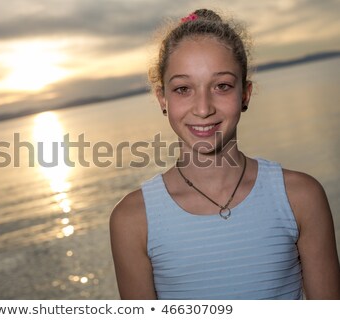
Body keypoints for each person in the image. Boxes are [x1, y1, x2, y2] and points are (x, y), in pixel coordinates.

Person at [109, 8, 340, 299]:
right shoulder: (132, 220)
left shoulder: (300, 197)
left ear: (245, 94)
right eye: (183, 89)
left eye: (222, 86)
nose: (203, 108)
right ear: (162, 99)